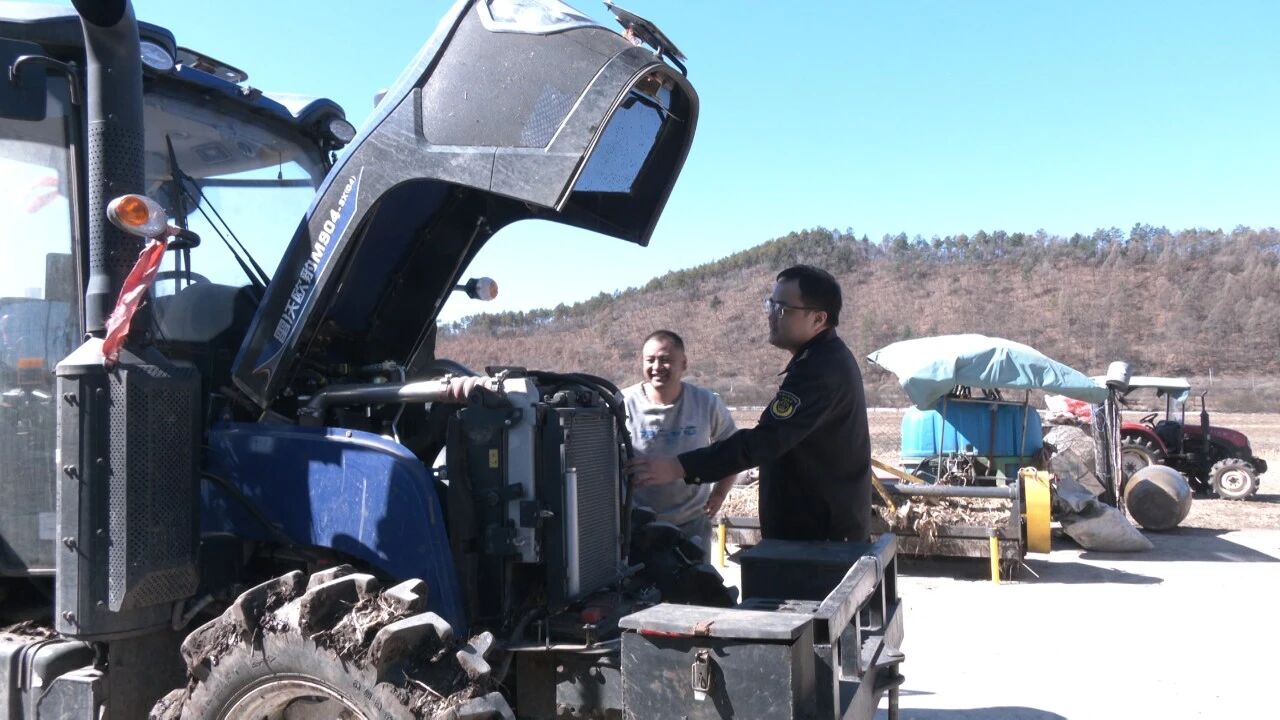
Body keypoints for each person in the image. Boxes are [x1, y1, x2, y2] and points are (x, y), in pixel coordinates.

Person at [628, 266, 872, 542]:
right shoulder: (823, 360)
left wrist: (679, 467)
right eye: (770, 305)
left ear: (818, 319)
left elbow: (765, 441)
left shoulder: (819, 370)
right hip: (817, 535)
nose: (771, 315)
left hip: (820, 541)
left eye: (781, 309)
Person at [623, 329, 738, 551]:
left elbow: (734, 450)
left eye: (665, 360)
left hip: (692, 525)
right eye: (650, 360)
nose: (657, 367)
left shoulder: (706, 403)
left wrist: (720, 493)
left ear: (683, 363)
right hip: (636, 527)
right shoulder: (623, 404)